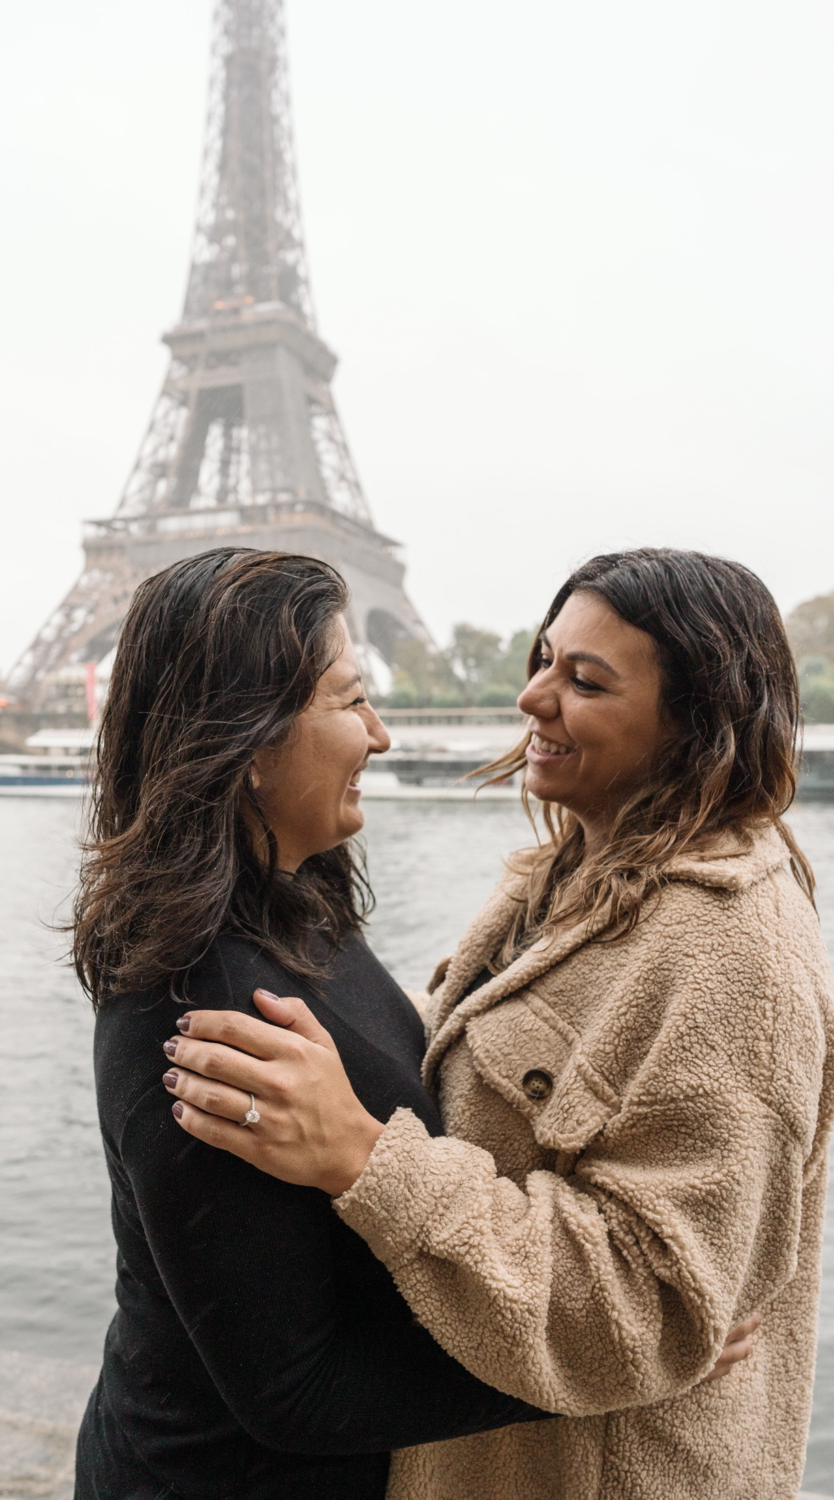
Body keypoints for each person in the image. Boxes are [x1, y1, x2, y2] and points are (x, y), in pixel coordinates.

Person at [164, 547, 830, 1500]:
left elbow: (659, 1312)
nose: (534, 699)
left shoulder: (731, 949)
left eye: (585, 680)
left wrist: (362, 1154)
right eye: (543, 660)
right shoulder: (569, 874)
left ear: (695, 721)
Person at [72, 547, 557, 1500]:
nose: (379, 734)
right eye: (349, 700)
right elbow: (294, 1391)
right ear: (248, 742)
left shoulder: (295, 895)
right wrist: (601, 1371)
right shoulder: (208, 1010)